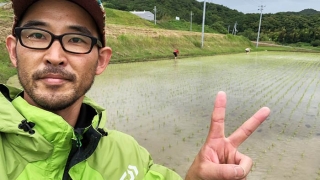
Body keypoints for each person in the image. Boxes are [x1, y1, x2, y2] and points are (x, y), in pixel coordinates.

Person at [0, 0, 270, 179]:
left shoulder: (130, 156)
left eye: (76, 39)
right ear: (13, 50)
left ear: (101, 60)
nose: (55, 55)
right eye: (37, 36)